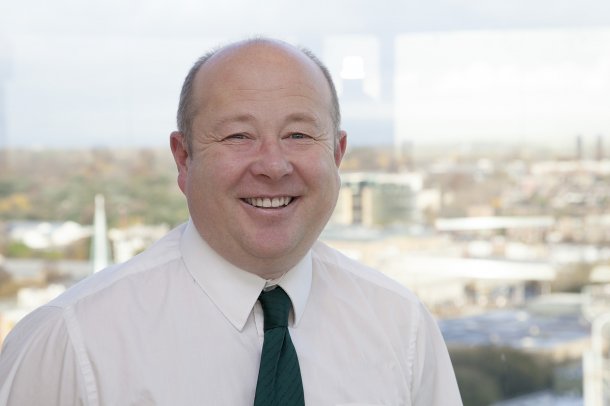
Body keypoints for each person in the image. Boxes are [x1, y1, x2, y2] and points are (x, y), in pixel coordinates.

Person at [0, 38, 462, 405]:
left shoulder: (402, 327)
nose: (273, 165)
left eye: (298, 134)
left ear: (337, 154)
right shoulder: (70, 343)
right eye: (238, 135)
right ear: (184, 158)